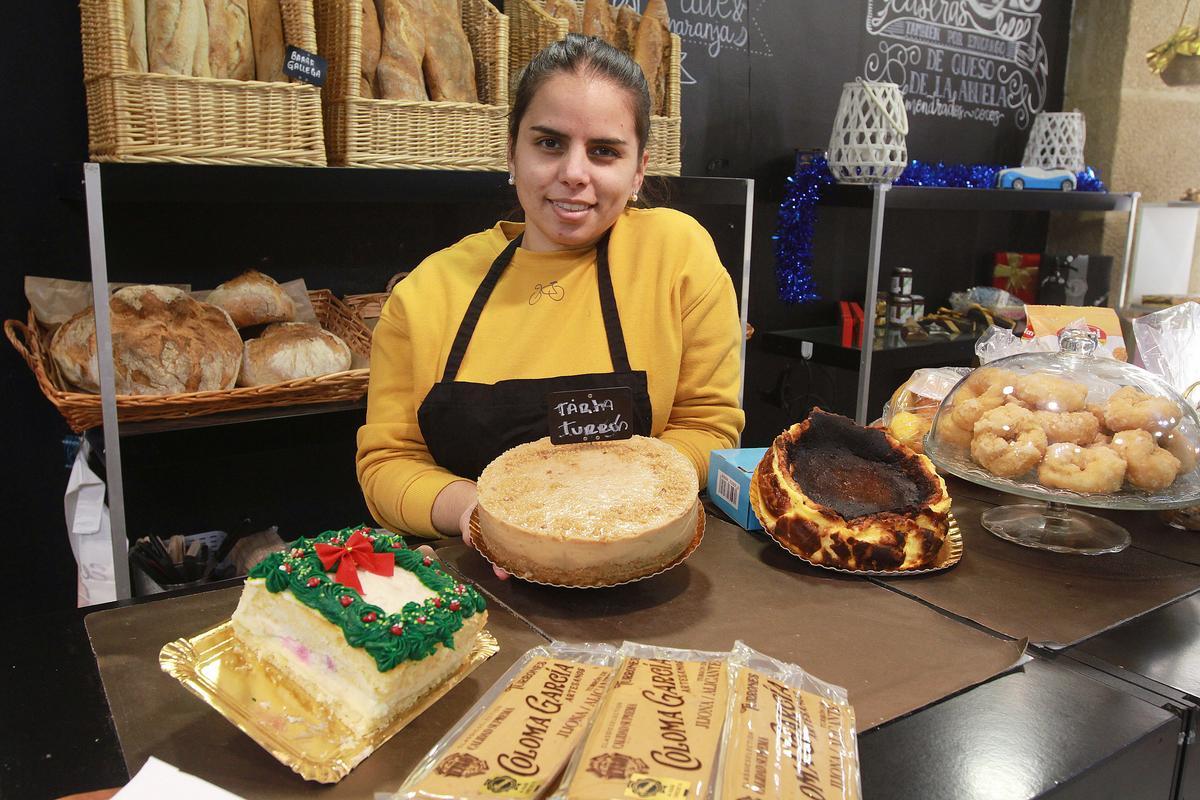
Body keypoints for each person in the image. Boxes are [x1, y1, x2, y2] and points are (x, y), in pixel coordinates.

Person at [356, 34, 745, 560]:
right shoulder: (427, 294)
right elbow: (388, 465)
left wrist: (623, 496)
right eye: (550, 143)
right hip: (479, 579)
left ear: (638, 172)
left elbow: (708, 425)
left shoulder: (676, 256)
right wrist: (482, 515)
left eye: (604, 151)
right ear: (512, 150)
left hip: (640, 566)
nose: (574, 174)